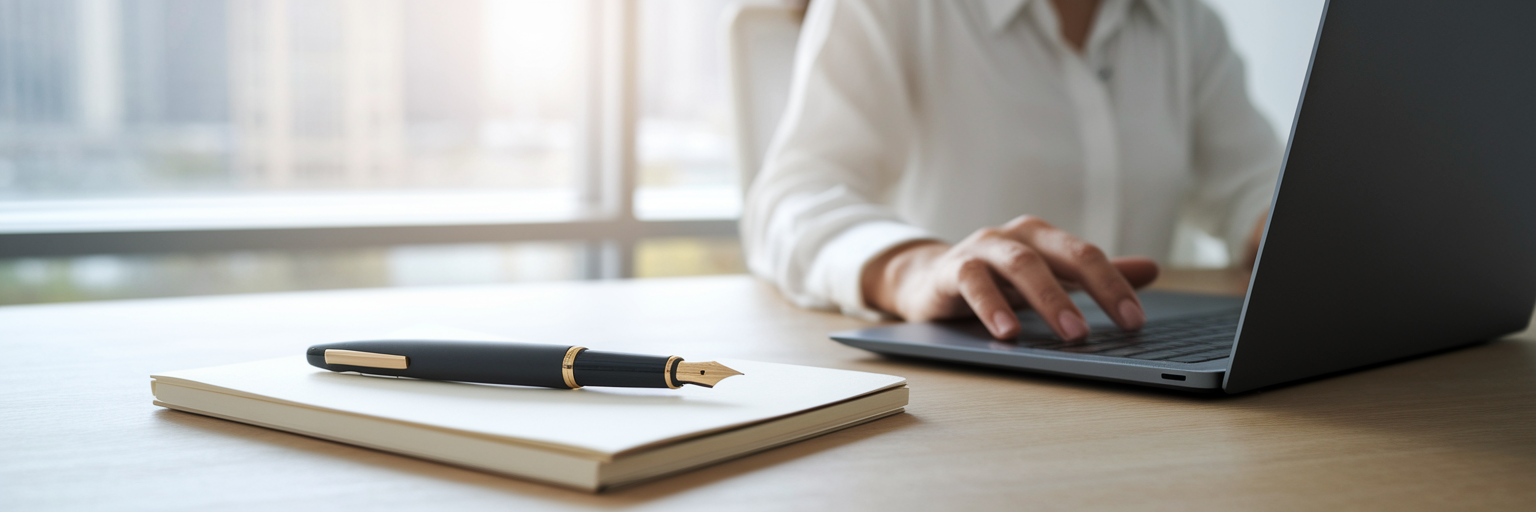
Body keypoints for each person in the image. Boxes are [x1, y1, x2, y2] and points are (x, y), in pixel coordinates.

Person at [741, 0, 1279, 341]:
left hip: (1153, 376)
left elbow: (1256, 190)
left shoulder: (1186, 21)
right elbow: (790, 201)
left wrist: (1296, 229)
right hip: (962, 401)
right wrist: (913, 269)